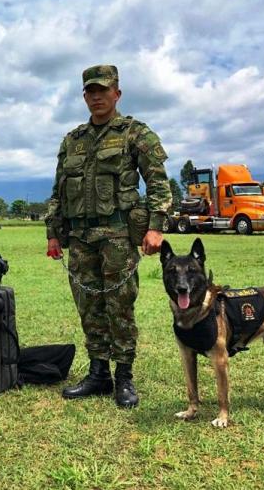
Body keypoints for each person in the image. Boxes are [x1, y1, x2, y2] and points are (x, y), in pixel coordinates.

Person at [45, 65, 172, 407]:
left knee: (119, 306)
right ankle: (99, 373)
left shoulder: (135, 133)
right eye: (90, 91)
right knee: (89, 306)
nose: (97, 96)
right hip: (81, 237)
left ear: (117, 93)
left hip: (117, 234)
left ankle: (124, 378)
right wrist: (53, 233)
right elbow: (58, 190)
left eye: (103, 90)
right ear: (84, 96)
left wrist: (156, 227)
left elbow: (158, 181)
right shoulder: (72, 141)